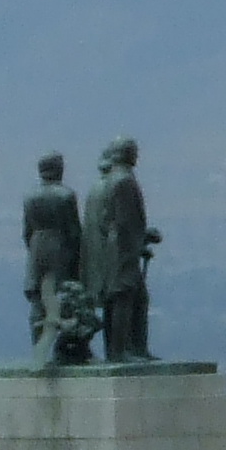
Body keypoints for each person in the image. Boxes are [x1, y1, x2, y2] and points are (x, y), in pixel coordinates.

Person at [85, 136, 160, 362]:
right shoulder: (124, 181)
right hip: (122, 251)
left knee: (126, 299)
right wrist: (144, 239)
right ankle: (123, 351)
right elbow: (125, 222)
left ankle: (126, 349)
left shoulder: (104, 183)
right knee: (126, 298)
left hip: (112, 250)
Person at [23, 152, 85, 365]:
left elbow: (27, 231)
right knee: (64, 297)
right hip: (60, 249)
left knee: (38, 302)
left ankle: (38, 349)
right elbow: (74, 231)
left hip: (37, 249)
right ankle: (65, 350)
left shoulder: (30, 197)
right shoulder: (66, 195)